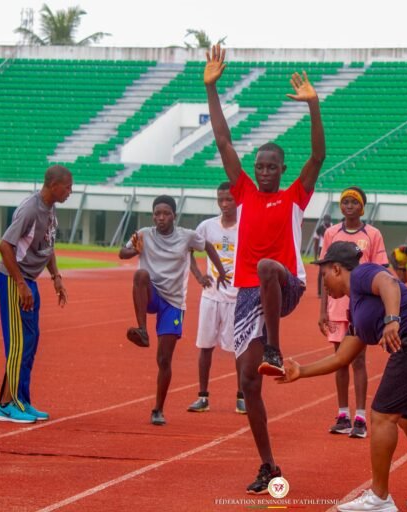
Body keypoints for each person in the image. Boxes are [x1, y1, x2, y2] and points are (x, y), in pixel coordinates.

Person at [205, 43, 325, 494]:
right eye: (260, 166)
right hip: (248, 294)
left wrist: (313, 106)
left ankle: (274, 348)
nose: (264, 171)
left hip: (285, 283)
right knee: (247, 383)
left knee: (269, 266)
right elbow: (223, 141)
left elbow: (318, 157)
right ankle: (269, 465)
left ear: (282, 169)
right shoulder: (244, 194)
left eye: (272, 166)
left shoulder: (295, 196)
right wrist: (212, 89)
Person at [279, 241, 407, 512]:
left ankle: (379, 497)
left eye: (324, 275)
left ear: (337, 269)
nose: (324, 283)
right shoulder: (356, 310)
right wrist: (301, 371)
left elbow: (389, 283)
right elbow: (341, 358)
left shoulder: (362, 274)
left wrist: (392, 320)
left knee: (381, 416)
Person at [119, 195, 227, 426]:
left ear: (174, 216)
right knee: (140, 275)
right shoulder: (144, 234)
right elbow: (122, 253)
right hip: (152, 294)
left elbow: (207, 246)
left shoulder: (186, 236)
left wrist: (221, 271)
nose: (161, 218)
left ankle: (158, 409)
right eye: (157, 214)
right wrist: (134, 250)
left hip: (173, 303)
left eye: (166, 213)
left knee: (164, 359)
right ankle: (142, 330)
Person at [0, 165, 72, 424]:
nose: (70, 192)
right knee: (18, 343)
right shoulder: (30, 209)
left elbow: (48, 246)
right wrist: (20, 284)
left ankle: (21, 400)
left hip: (29, 280)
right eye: (67, 187)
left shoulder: (50, 209)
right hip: (13, 279)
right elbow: (4, 246)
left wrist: (56, 276)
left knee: (30, 341)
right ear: (53, 185)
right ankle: (6, 405)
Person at [318, 187, 388, 439]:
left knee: (358, 359)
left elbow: (381, 272)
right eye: (345, 202)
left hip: (361, 306)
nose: (349, 206)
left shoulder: (372, 234)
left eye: (354, 202)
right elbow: (325, 273)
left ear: (362, 207)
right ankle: (342, 414)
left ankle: (360, 417)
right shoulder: (331, 233)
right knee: (339, 360)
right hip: (336, 306)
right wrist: (322, 310)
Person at [186, 182, 246, 414]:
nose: (224, 204)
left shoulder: (246, 226)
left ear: (238, 200)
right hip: (210, 296)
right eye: (220, 199)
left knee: (239, 349)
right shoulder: (207, 226)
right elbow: (188, 250)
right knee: (205, 346)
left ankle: (241, 397)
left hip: (237, 297)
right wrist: (199, 275)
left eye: (229, 199)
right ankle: (202, 397)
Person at [314, 214, 332, 297]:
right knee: (321, 272)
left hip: (331, 250)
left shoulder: (333, 227)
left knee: (332, 271)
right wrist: (315, 257)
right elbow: (316, 242)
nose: (327, 224)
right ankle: (319, 292)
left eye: (328, 222)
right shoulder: (320, 228)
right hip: (322, 250)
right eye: (325, 222)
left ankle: (331, 290)